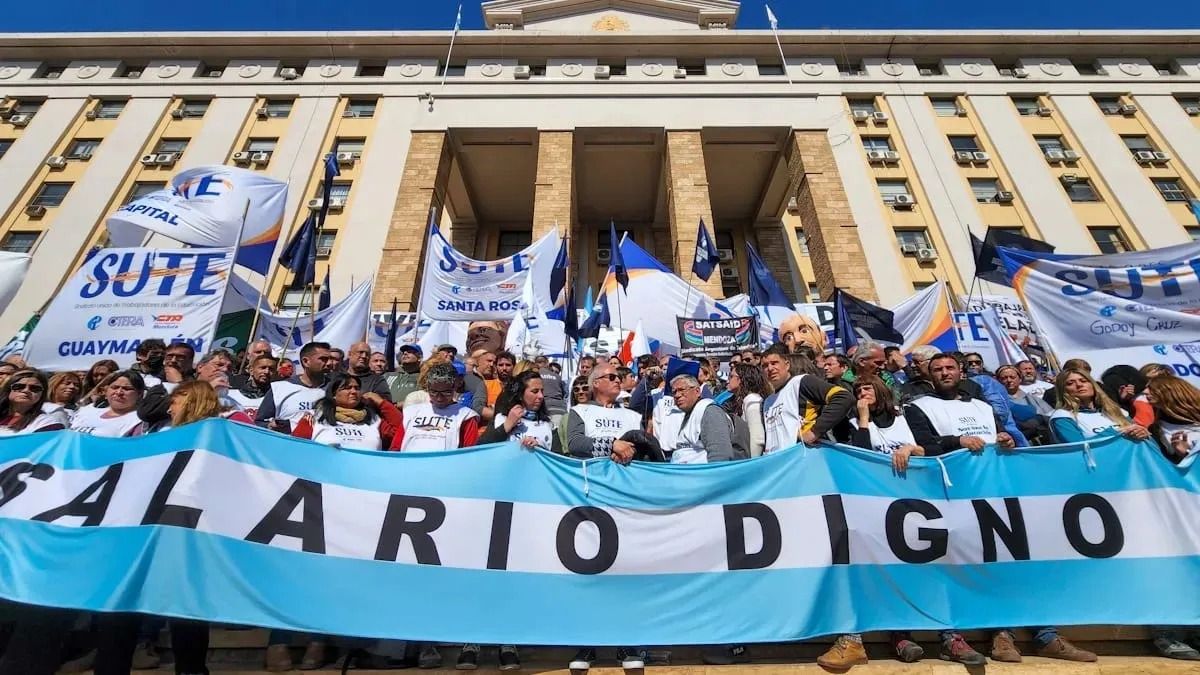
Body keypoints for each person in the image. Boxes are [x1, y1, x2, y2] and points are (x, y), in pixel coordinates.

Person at [92, 381, 223, 675]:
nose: (170, 406)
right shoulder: (151, 432)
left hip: (186, 535)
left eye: (177, 401)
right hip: (139, 531)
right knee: (121, 611)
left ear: (193, 402)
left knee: (186, 615)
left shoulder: (218, 435)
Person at [900, 353, 1017, 665]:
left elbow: (999, 439)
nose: (944, 372)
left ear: (961, 370)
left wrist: (1004, 440)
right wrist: (958, 440)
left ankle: (1001, 633)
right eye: (937, 369)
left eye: (950, 367)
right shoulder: (918, 406)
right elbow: (925, 445)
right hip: (946, 496)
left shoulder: (983, 406)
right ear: (929, 374)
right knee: (949, 565)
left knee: (994, 565)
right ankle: (952, 637)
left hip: (990, 493)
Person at [564, 360, 656, 672]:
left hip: (628, 499)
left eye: (619, 376)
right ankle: (586, 643)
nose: (618, 380)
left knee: (627, 571)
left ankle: (626, 642)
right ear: (594, 384)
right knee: (590, 570)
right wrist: (612, 444)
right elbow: (574, 444)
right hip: (591, 498)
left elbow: (645, 448)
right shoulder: (580, 411)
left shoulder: (631, 414)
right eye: (611, 376)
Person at [759, 343, 853, 453]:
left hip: (805, 458)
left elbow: (843, 397)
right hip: (780, 463)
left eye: (774, 363)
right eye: (765, 366)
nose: (770, 368)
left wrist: (814, 431)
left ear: (787, 365)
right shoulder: (767, 402)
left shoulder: (802, 382)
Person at [291, 373, 405, 450]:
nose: (354, 391)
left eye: (357, 388)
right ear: (334, 394)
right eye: (347, 388)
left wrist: (381, 402)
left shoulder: (374, 419)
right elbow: (296, 448)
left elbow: (402, 429)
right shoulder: (315, 417)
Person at [394, 362, 480, 452]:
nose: (439, 398)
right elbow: (395, 449)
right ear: (427, 388)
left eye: (446, 392)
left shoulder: (466, 416)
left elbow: (470, 452)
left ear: (455, 387)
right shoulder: (411, 412)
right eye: (433, 392)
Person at [1049, 368, 1150, 443]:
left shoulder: (1115, 410)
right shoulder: (1062, 417)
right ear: (1063, 390)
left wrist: (1144, 434)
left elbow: (1145, 440)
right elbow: (1077, 448)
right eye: (1070, 383)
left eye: (1084, 381)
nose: (1079, 385)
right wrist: (1117, 433)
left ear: (1092, 384)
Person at [256, 342, 336, 432]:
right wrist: (271, 426)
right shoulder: (279, 388)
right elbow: (259, 422)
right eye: (323, 359)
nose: (329, 363)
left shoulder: (336, 389)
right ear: (306, 362)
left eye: (330, 359)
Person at [667, 374, 736, 463]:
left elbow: (720, 453)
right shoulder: (690, 413)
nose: (677, 395)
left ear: (697, 391)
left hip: (704, 474)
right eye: (674, 392)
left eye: (682, 390)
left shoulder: (709, 411)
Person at [71, 370, 146, 437]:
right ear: (106, 391)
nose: (119, 392)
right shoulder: (86, 412)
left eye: (127, 389)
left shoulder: (138, 421)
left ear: (139, 394)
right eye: (115, 387)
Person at [1143, 374, 1200, 461]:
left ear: (1170, 391)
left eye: (1152, 388)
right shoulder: (1156, 429)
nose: (1145, 391)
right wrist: (1183, 454)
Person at [995, 365, 1054, 445]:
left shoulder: (1035, 399)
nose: (1009, 380)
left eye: (1012, 377)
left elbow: (1052, 418)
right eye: (1004, 378)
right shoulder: (997, 402)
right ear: (998, 381)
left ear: (1019, 379)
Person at [725, 362, 772, 458]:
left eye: (731, 376)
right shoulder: (740, 401)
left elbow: (758, 439)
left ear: (742, 379)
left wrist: (750, 465)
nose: (727, 380)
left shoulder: (752, 400)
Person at [0, 369, 66, 436]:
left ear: (42, 394)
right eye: (19, 386)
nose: (26, 390)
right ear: (8, 390)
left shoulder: (48, 424)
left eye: (35, 388)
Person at [228, 354, 276, 421]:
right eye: (263, 368)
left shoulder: (277, 398)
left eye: (271, 369)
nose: (266, 372)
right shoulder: (230, 396)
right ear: (251, 370)